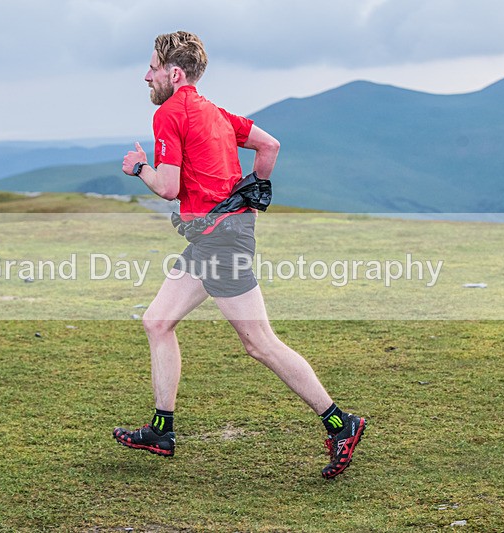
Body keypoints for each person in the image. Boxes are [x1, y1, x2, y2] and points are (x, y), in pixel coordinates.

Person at [114, 31, 366, 479]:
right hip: (211, 238)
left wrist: (139, 169)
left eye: (152, 67)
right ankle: (161, 430)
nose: (146, 75)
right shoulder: (215, 112)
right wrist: (252, 194)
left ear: (174, 73)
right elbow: (270, 146)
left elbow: (168, 187)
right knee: (157, 321)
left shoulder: (171, 112)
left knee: (259, 343)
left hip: (221, 242)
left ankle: (340, 423)